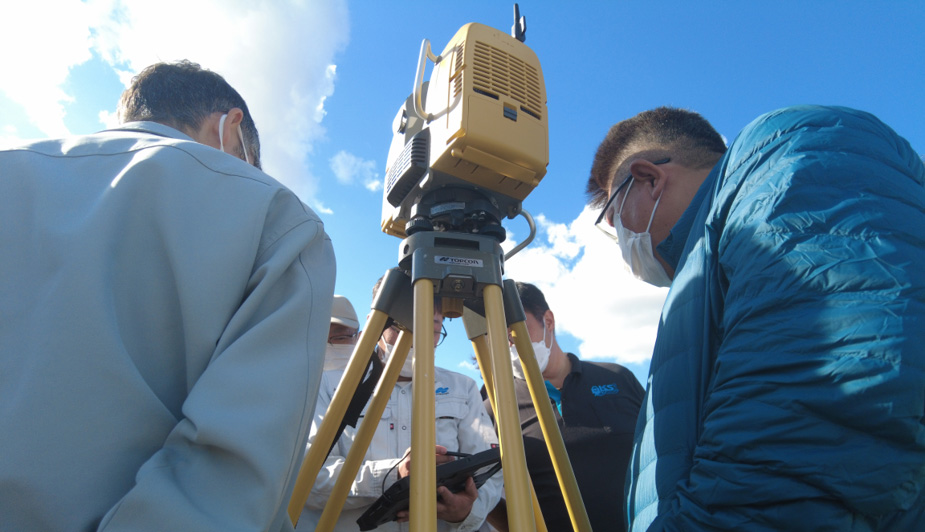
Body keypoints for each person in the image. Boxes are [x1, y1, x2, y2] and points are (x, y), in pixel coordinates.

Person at [0, 60, 336, 531]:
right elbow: (233, 479)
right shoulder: (276, 215)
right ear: (231, 125)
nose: (250, 171)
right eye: (251, 157)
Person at [586, 105, 925, 530]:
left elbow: (826, 404)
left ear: (649, 179)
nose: (622, 243)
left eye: (615, 221)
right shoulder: (713, 251)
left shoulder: (792, 157)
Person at [299, 279, 503, 531]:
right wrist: (393, 476)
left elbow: (491, 474)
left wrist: (466, 511)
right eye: (404, 325)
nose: (417, 338)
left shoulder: (463, 388)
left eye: (432, 328)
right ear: (378, 323)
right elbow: (309, 479)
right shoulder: (330, 387)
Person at [482, 282, 644, 532]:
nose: (510, 345)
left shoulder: (618, 378)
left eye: (515, 331)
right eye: (497, 338)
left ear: (548, 321)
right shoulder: (494, 407)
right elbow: (491, 498)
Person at [326, 295, 362, 371]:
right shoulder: (299, 379)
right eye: (320, 340)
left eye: (340, 338)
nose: (328, 345)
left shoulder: (382, 378)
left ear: (359, 339)